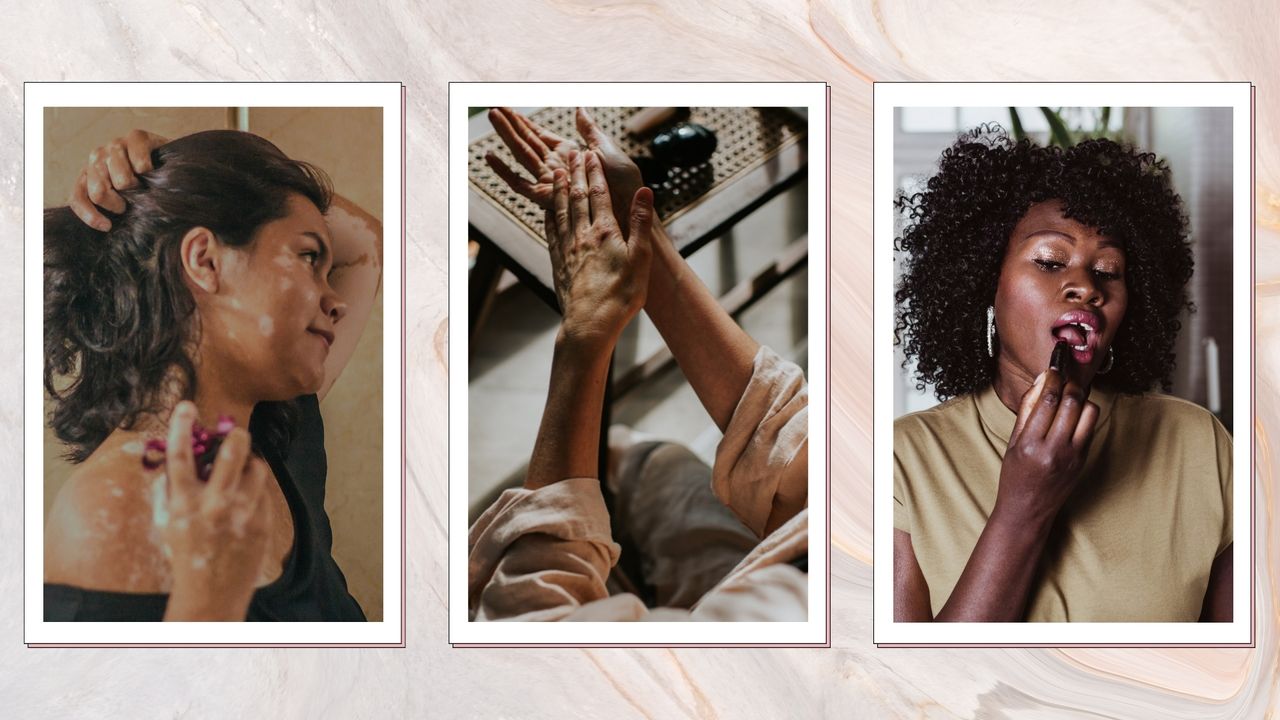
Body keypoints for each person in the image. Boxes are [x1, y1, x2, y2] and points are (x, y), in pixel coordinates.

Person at [467, 108, 808, 621]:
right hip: (789, 556)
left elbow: (531, 622)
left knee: (617, 472)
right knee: (641, 459)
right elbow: (799, 460)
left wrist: (585, 334)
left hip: (738, 601)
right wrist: (638, 224)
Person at [892, 125, 1232, 622]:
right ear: (987, 282)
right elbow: (910, 691)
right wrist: (1022, 507)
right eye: (1050, 261)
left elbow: (1246, 673)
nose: (1084, 286)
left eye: (1109, 271)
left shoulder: (1198, 443)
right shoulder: (901, 460)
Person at [44, 128, 382, 621]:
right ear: (204, 260)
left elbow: (367, 245)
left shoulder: (281, 424)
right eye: (308, 258)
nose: (336, 302)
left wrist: (177, 167)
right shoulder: (105, 517)